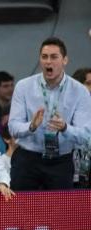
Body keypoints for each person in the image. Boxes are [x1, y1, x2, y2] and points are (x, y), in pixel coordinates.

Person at [8, 37, 91, 191]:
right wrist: (31, 126)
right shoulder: (23, 87)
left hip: (61, 161)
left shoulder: (80, 91)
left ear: (65, 60)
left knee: (60, 213)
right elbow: (13, 127)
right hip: (28, 159)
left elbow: (85, 134)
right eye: (44, 57)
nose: (48, 62)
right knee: (20, 212)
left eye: (54, 57)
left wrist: (66, 128)